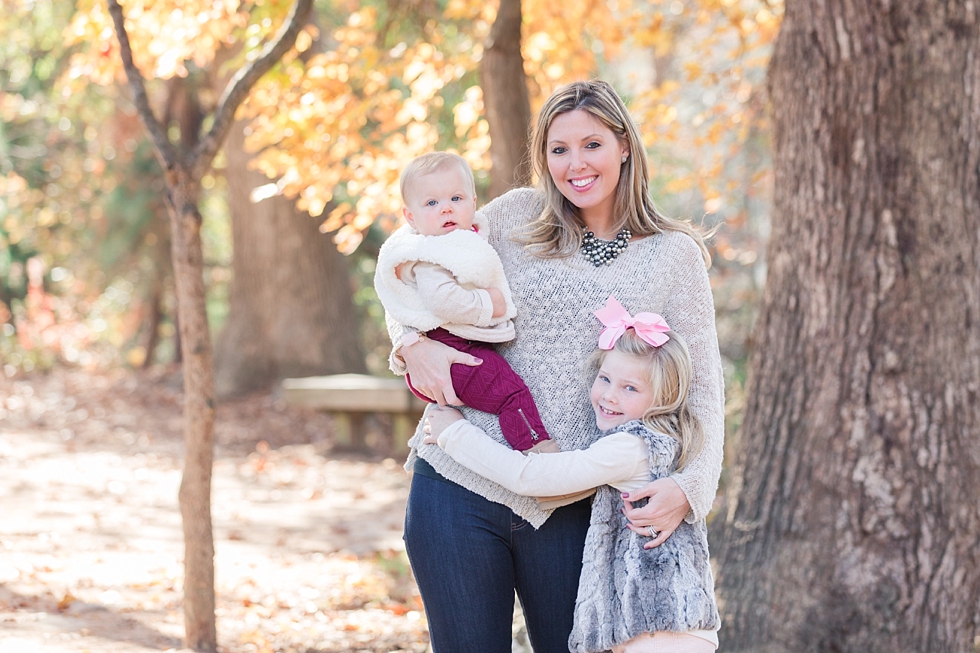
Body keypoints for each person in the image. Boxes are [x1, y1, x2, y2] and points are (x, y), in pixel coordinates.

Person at [387, 79, 725, 653]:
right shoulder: (513, 216)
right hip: (459, 477)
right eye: (558, 149)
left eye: (591, 144)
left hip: (579, 505)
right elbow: (414, 264)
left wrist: (691, 488)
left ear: (624, 144)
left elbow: (705, 392)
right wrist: (408, 345)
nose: (576, 164)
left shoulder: (674, 256)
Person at [422, 296, 720, 653]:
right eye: (605, 378)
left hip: (657, 623)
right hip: (667, 617)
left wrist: (454, 434)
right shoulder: (664, 439)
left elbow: (530, 477)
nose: (609, 396)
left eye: (630, 388)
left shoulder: (628, 448)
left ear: (663, 397)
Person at [374, 151, 558, 453]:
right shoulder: (430, 255)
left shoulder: (468, 237)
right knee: (510, 393)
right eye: (432, 203)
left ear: (474, 203)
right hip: (450, 349)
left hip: (462, 346)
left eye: (456, 199)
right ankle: (538, 453)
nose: (446, 209)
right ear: (411, 217)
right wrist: (489, 305)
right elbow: (440, 301)